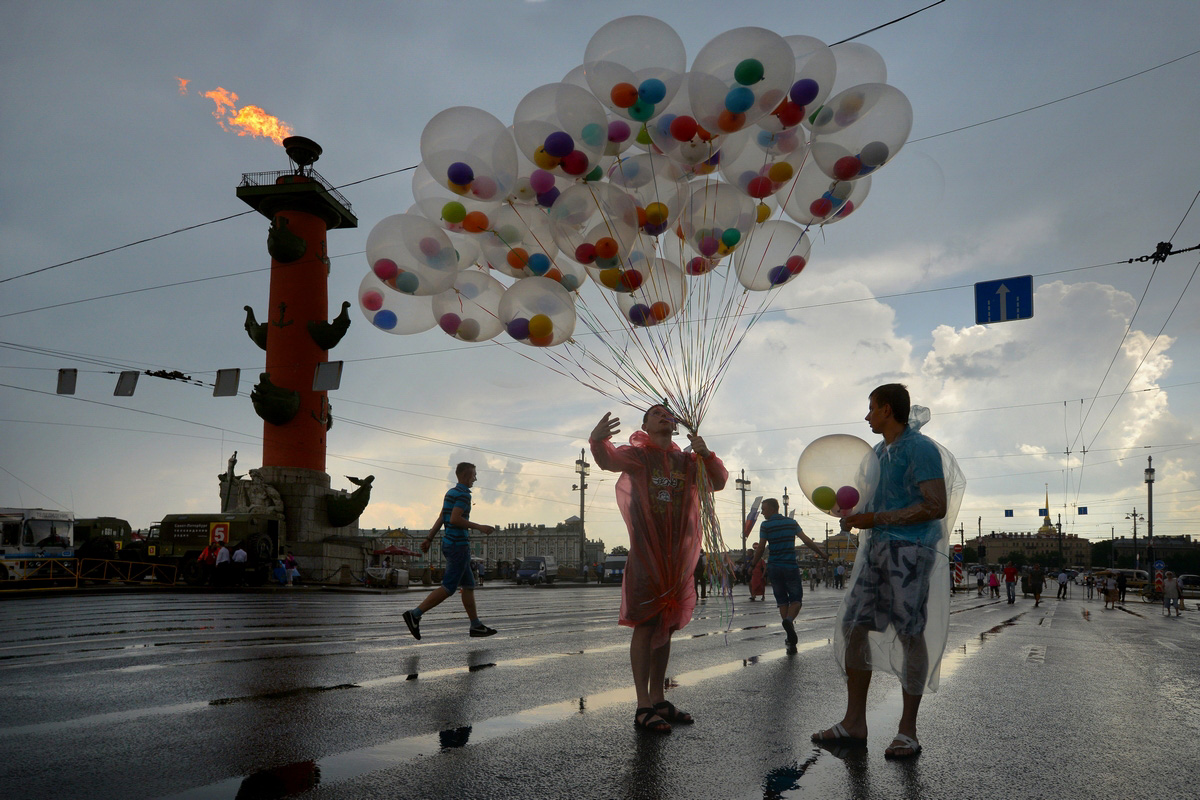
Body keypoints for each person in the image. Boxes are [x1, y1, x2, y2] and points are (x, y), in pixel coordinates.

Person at [811, 384, 963, 760]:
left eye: (871, 409)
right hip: (877, 550)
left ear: (887, 410)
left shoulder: (920, 449)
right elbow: (868, 504)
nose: (866, 417)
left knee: (910, 632)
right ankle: (854, 723)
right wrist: (851, 516)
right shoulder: (879, 452)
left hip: (911, 552)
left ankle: (907, 731)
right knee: (853, 626)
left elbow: (936, 505)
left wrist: (874, 517)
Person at [590, 404, 728, 734]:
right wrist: (597, 440)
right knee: (646, 621)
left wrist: (706, 453)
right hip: (647, 554)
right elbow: (608, 460)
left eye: (668, 412)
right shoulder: (640, 456)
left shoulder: (688, 461)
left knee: (666, 621)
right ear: (646, 424)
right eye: (655, 412)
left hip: (676, 557)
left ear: (676, 424)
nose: (663, 415)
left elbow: (719, 482)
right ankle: (642, 705)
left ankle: (658, 698)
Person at [402, 462, 497, 640]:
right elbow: (454, 519)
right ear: (466, 476)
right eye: (474, 475)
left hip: (449, 543)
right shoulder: (463, 495)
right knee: (449, 587)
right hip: (458, 546)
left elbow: (442, 517)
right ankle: (415, 614)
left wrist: (429, 538)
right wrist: (479, 527)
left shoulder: (451, 492)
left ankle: (476, 625)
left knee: (469, 585)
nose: (475, 478)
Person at [751, 497, 827, 646]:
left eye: (764, 509)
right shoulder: (791, 523)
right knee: (796, 600)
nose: (762, 512)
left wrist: (753, 564)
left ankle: (789, 634)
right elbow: (806, 540)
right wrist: (822, 553)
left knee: (782, 601)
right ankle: (789, 621)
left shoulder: (765, 525)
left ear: (773, 509)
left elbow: (761, 548)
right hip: (790, 567)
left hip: (774, 567)